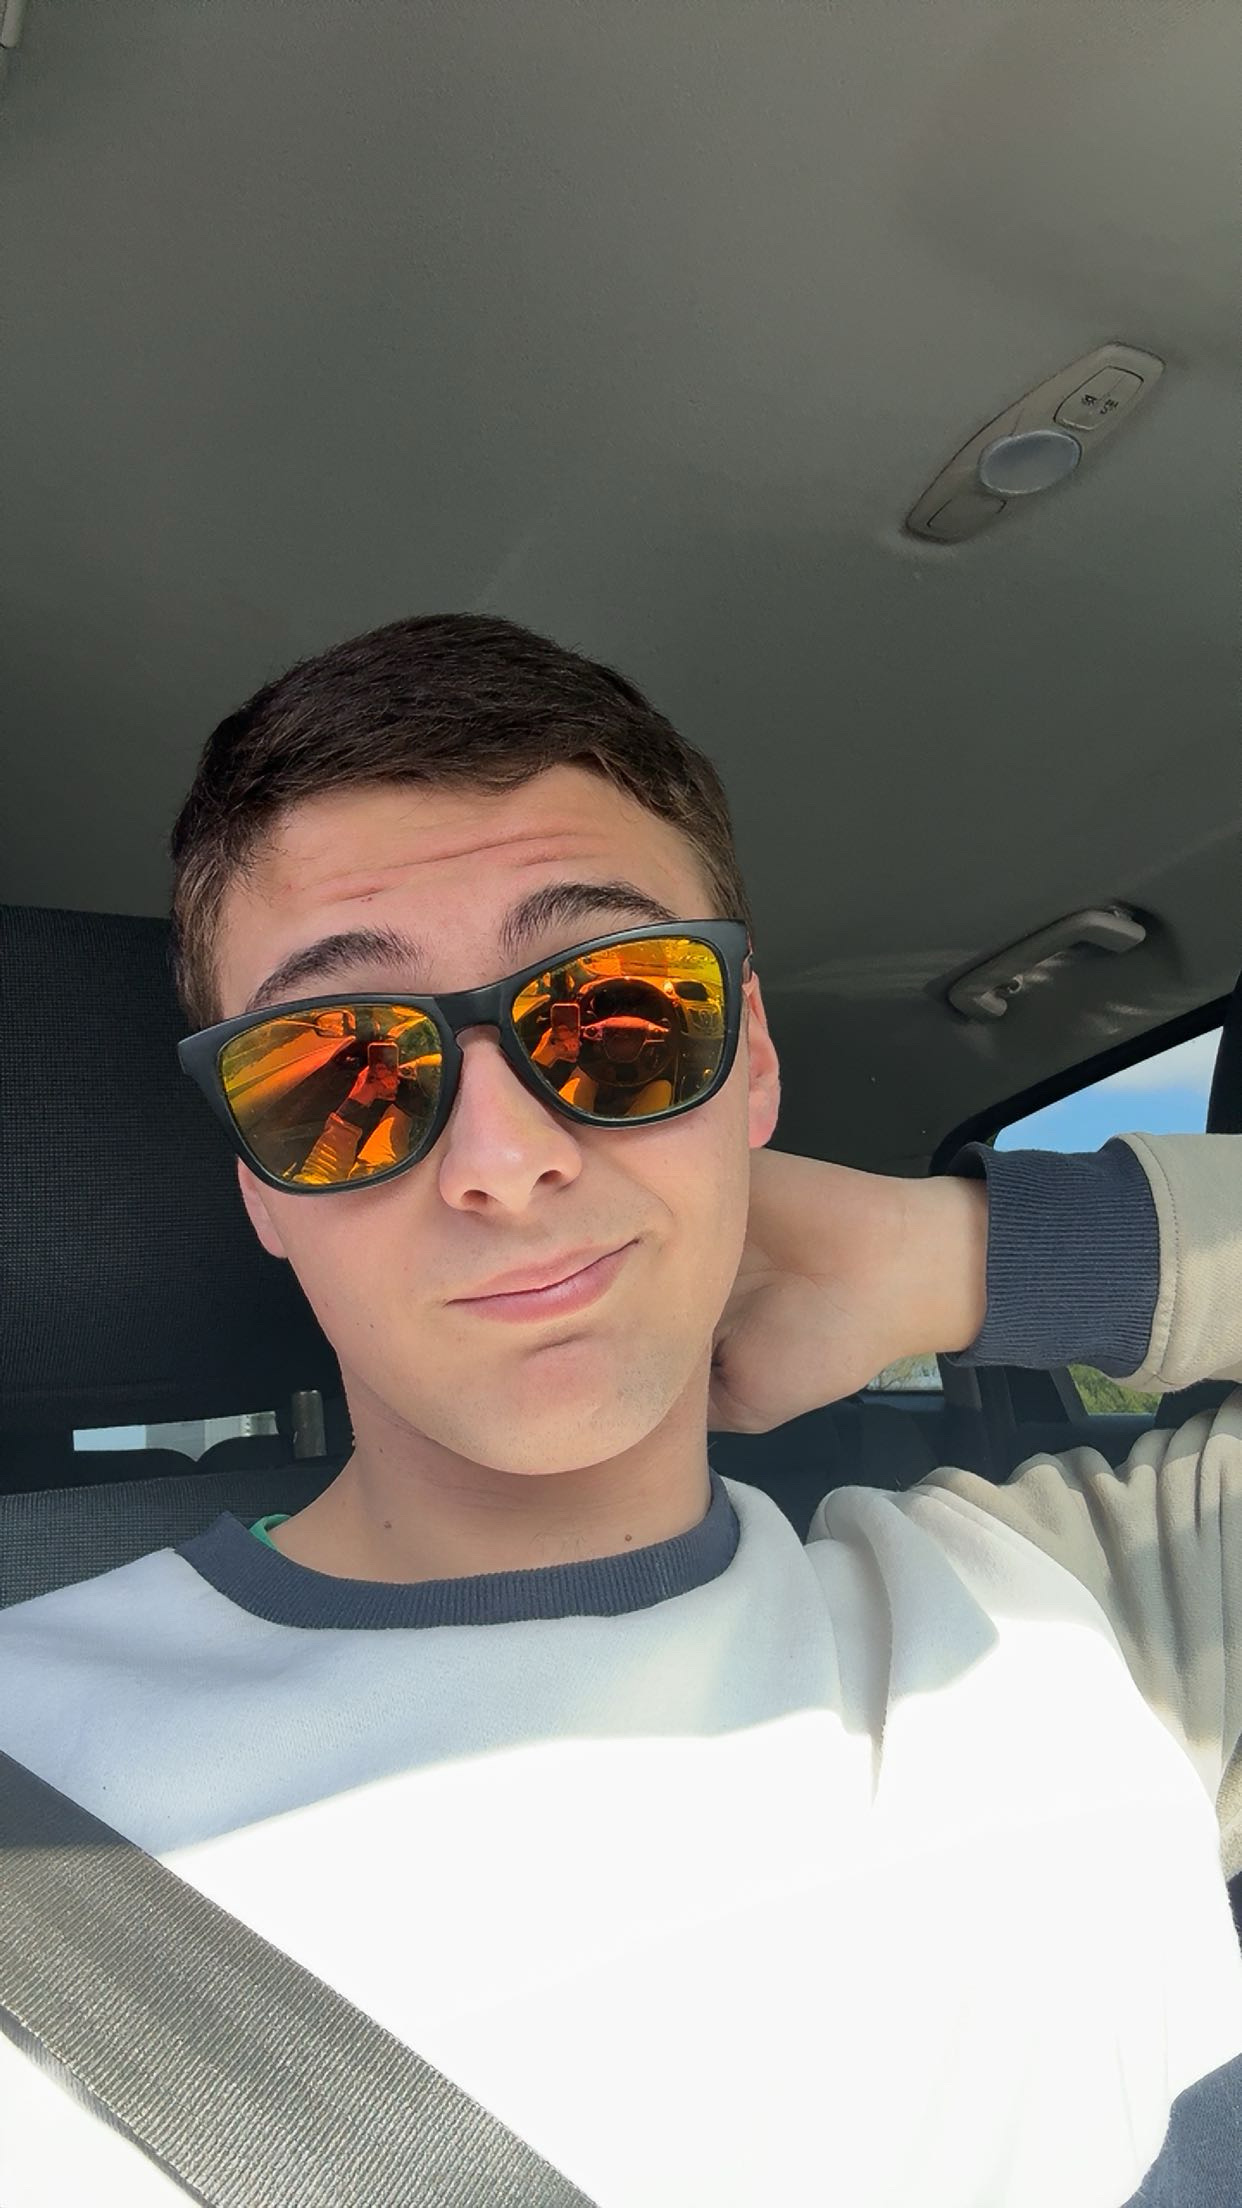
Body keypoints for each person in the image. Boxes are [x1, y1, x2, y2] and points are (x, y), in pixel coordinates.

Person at [1, 611, 1240, 2208]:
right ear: (258, 1182)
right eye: (340, 1068)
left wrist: (942, 1253)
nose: (506, 1160)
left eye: (620, 1016)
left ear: (753, 1066)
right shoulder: (35, 1776)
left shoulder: (1087, 1619)